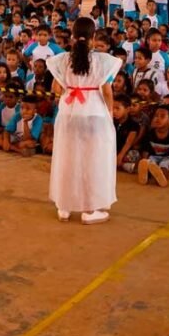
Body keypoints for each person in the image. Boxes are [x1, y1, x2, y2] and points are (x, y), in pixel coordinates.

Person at [47, 17, 123, 224]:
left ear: (72, 37)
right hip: (94, 114)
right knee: (93, 161)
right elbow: (107, 91)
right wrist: (108, 113)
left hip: (68, 113)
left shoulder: (63, 60)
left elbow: (56, 88)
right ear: (92, 38)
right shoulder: (101, 61)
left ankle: (64, 207)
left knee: (67, 158)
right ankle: (90, 210)